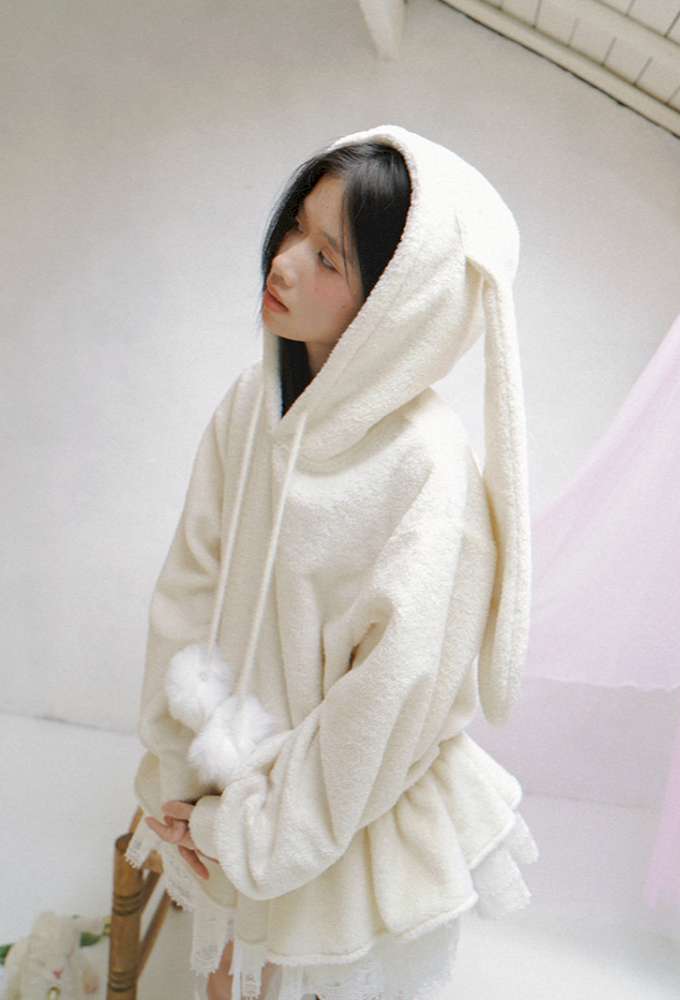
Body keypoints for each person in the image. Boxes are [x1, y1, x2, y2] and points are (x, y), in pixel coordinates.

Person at [127, 124, 539, 1000]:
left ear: (398, 303)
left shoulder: (429, 472)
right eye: (294, 228)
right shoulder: (253, 403)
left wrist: (250, 833)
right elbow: (189, 587)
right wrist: (183, 775)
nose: (282, 264)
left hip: (346, 811)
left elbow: (385, 705)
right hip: (229, 782)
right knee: (229, 976)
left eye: (327, 257)